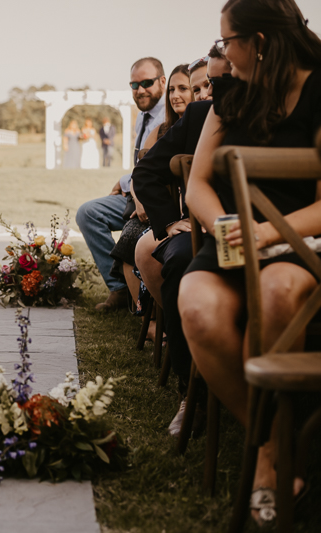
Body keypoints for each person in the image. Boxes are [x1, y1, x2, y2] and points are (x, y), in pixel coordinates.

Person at [178, 0, 321, 523]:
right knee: (197, 305)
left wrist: (266, 232)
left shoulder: (319, 91)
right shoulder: (230, 97)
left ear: (258, 42)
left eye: (226, 42)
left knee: (279, 293)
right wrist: (223, 228)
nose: (222, 53)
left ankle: (267, 460)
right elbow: (197, 184)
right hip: (232, 241)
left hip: (299, 249)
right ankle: (274, 446)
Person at [132, 52, 233, 435]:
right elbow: (147, 172)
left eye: (221, 84)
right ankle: (190, 389)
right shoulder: (198, 117)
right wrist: (170, 222)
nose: (214, 95)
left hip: (270, 230)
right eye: (212, 86)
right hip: (205, 229)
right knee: (178, 257)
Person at [75, 57, 166, 311]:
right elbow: (143, 163)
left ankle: (133, 292)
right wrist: (125, 181)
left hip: (155, 196)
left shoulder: (169, 116)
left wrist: (128, 182)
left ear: (162, 81)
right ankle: (119, 288)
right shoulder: (143, 116)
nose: (140, 90)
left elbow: (156, 166)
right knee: (88, 213)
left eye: (147, 83)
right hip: (134, 191)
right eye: (134, 85)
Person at [110, 64, 193, 316]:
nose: (176, 95)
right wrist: (142, 201)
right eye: (172, 90)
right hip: (159, 207)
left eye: (185, 89)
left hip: (183, 211)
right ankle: (143, 314)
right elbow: (141, 171)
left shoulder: (204, 123)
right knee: (129, 237)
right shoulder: (162, 129)